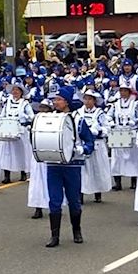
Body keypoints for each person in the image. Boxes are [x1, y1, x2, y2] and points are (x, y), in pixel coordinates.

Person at [43, 90, 95, 248]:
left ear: (66, 102)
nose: (55, 102)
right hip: (54, 164)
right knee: (54, 200)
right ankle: (54, 236)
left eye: (58, 99)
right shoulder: (49, 118)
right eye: (54, 100)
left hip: (73, 165)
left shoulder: (78, 119)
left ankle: (76, 230)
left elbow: (89, 142)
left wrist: (81, 150)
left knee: (74, 200)